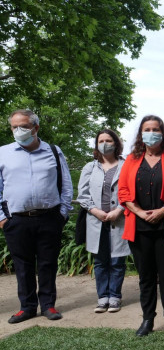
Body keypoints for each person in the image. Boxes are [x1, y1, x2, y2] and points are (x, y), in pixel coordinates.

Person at [118, 115, 164, 337]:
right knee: (146, 277)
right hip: (139, 228)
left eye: (155, 129)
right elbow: (123, 192)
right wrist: (139, 212)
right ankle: (147, 319)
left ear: (162, 132)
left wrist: (163, 211)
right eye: (147, 129)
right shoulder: (131, 160)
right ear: (141, 134)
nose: (151, 133)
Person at [0, 109, 73, 324]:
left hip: (49, 217)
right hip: (16, 220)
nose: (19, 131)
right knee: (22, 266)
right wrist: (2, 219)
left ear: (36, 127)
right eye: (14, 127)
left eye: (23, 126)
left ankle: (48, 305)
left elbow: (66, 185)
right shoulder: (3, 153)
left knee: (47, 264)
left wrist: (62, 213)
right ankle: (27, 307)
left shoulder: (53, 151)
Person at [77, 129, 130, 313]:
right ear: (96, 144)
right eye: (101, 140)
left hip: (119, 219)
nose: (105, 143)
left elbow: (132, 191)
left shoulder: (126, 165)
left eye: (109, 140)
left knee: (117, 261)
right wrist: (95, 210)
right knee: (100, 261)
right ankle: (102, 297)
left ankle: (115, 296)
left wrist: (119, 210)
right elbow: (82, 195)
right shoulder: (90, 167)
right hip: (96, 221)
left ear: (116, 143)